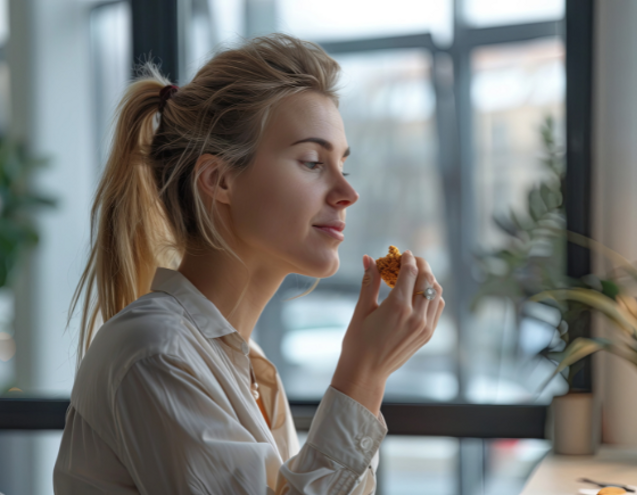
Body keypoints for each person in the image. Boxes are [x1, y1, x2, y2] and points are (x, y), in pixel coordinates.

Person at [53, 33, 445, 494]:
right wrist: (363, 374)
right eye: (312, 162)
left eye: (343, 165)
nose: (347, 193)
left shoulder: (250, 366)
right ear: (219, 180)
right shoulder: (157, 353)